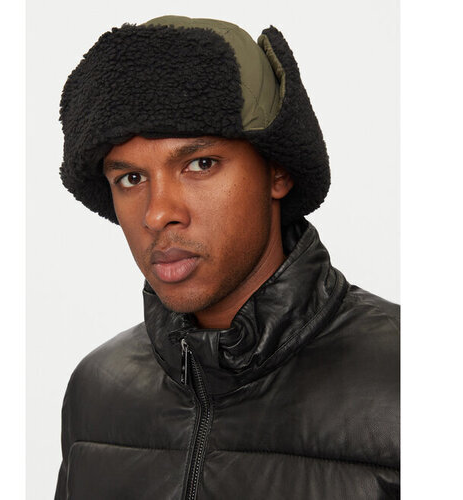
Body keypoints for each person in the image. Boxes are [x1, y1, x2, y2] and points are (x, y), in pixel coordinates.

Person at [54, 15, 400, 500]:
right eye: (131, 178)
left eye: (200, 164)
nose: (158, 213)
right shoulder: (96, 391)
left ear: (277, 172)